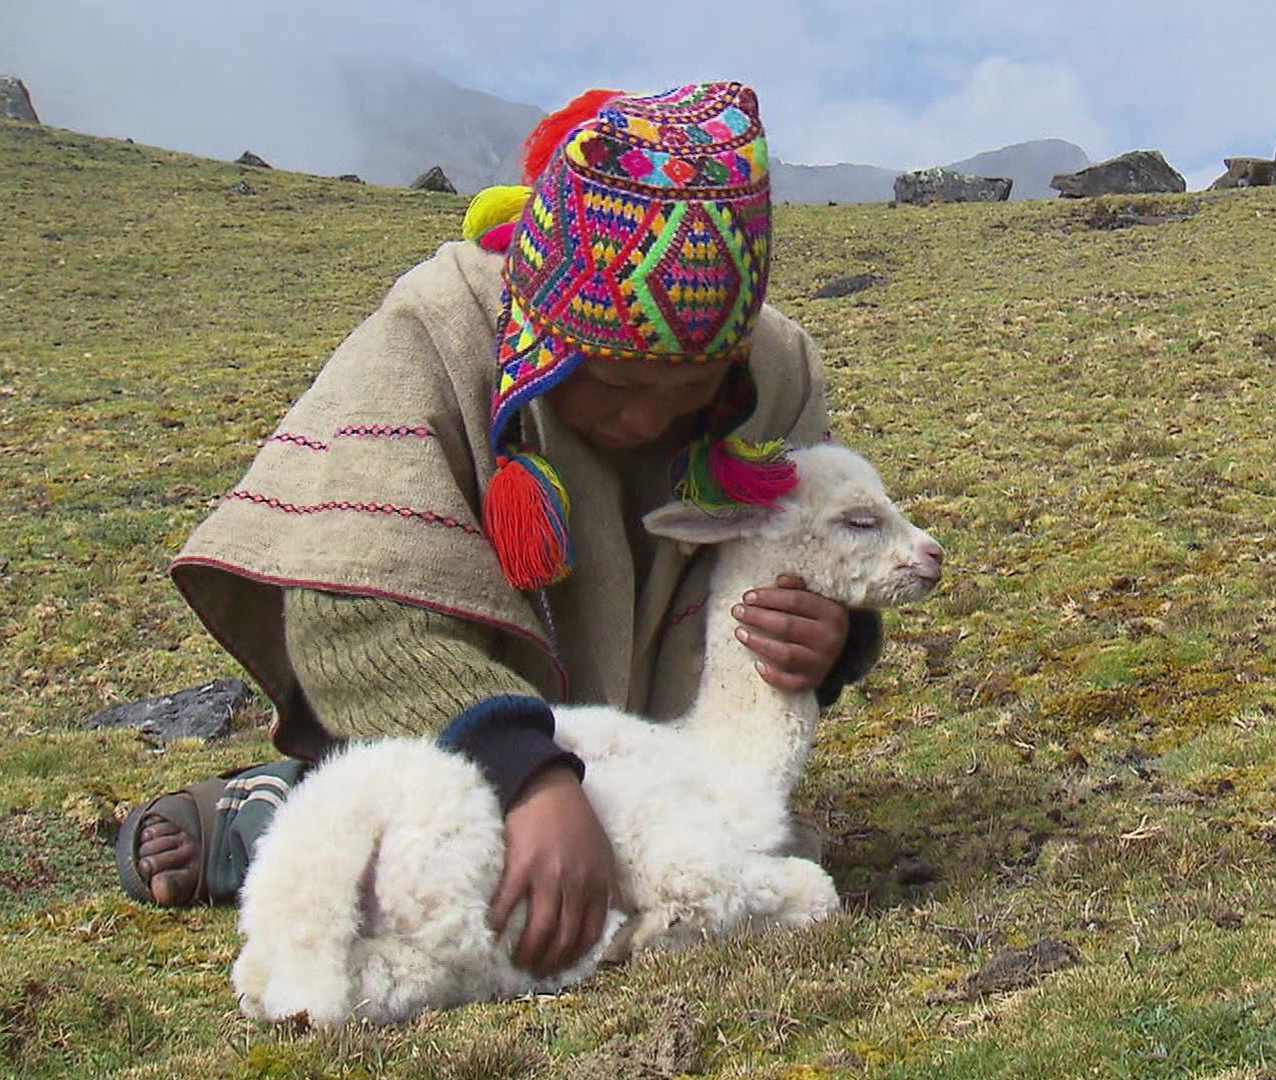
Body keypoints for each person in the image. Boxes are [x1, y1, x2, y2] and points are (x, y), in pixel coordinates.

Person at [115, 82, 881, 979]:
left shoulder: (775, 369)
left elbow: (808, 555)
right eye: (622, 386)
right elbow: (353, 610)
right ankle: (272, 818)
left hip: (661, 768)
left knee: (723, 883)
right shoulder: (437, 331)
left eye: (693, 389)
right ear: (550, 324)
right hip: (470, 735)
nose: (650, 422)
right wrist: (531, 776)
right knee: (436, 866)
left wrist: (833, 638)